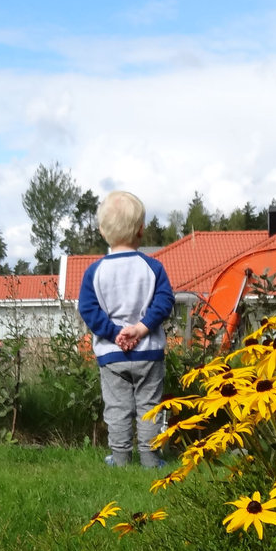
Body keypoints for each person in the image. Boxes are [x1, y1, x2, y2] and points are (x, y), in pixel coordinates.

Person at [77, 190, 174, 468]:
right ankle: (150, 458)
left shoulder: (95, 272)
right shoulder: (152, 267)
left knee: (117, 407)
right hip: (148, 352)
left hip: (111, 354)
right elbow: (164, 301)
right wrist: (141, 328)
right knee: (149, 407)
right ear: (141, 229)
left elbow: (88, 309)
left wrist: (113, 333)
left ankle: (120, 458)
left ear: (101, 230)